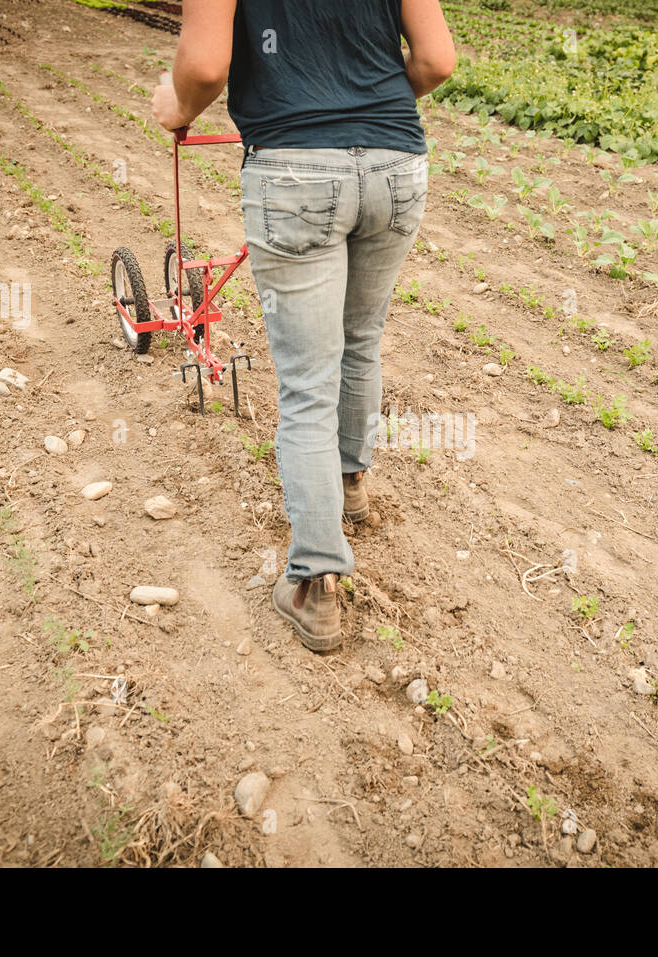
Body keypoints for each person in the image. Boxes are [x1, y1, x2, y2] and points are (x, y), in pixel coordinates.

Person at [153, 0, 455, 651]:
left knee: (307, 384)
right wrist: (365, 106)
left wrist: (175, 106)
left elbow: (205, 66)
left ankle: (315, 580)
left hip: (294, 171)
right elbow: (437, 60)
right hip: (396, 164)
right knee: (360, 342)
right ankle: (350, 485)